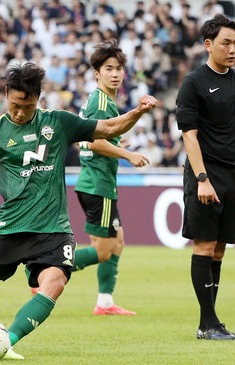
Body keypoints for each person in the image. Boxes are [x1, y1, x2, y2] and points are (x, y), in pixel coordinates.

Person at [0, 62, 157, 359]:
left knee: (54, 283)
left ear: (38, 98)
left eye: (27, 105)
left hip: (54, 230)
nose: (20, 112)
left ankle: (6, 342)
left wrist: (137, 112)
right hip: (10, 228)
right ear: (6, 93)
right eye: (14, 105)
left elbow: (109, 127)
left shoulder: (58, 122)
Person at [175, 14, 235, 341]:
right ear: (208, 44)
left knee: (220, 250)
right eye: (226, 42)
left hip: (232, 176)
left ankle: (209, 323)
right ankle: (208, 324)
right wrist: (201, 178)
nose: (233, 48)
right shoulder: (194, 83)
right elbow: (189, 136)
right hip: (204, 174)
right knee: (205, 245)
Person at [69, 40, 149, 316]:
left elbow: (93, 139)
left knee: (118, 242)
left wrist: (116, 146)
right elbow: (93, 142)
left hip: (97, 182)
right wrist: (127, 156)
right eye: (108, 69)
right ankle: (45, 266)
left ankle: (104, 302)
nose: (115, 74)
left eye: (118, 69)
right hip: (97, 183)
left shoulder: (101, 101)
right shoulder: (102, 102)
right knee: (103, 251)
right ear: (97, 73)